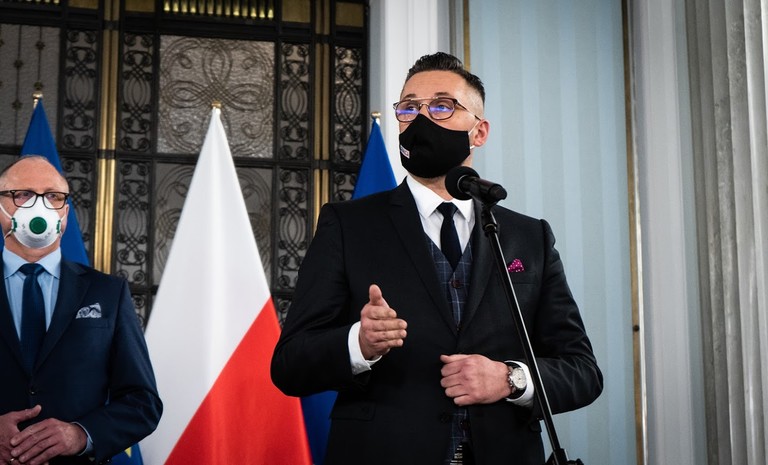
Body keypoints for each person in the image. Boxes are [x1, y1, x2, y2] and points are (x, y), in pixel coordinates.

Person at [271, 52, 602, 465]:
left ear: (479, 131)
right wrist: (359, 343)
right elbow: (289, 365)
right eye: (409, 108)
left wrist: (510, 379)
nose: (421, 119)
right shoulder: (347, 225)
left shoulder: (529, 237)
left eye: (442, 106)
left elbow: (582, 371)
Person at [0, 156, 162, 465]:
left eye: (53, 196)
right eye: (23, 194)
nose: (40, 206)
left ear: (65, 211)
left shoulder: (108, 292)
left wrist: (81, 434)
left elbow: (142, 402)